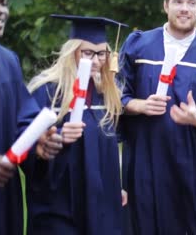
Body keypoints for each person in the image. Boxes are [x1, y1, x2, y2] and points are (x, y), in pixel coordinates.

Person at [118, 0, 196, 233]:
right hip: (143, 160)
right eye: (178, 1)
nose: (184, 8)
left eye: (192, 2)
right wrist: (139, 105)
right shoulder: (138, 45)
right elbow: (116, 94)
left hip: (190, 164)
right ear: (165, 5)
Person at [0, 0, 75, 234]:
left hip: (3, 204)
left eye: (3, 2)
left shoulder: (8, 62)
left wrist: (39, 144)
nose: (0, 10)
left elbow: (23, 119)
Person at [27, 15, 127, 235]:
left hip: (101, 204)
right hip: (59, 204)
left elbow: (108, 151)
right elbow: (28, 147)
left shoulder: (107, 95)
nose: (96, 60)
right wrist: (59, 136)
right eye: (87, 53)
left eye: (101, 53)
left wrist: (113, 186)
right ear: (71, 52)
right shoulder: (47, 91)